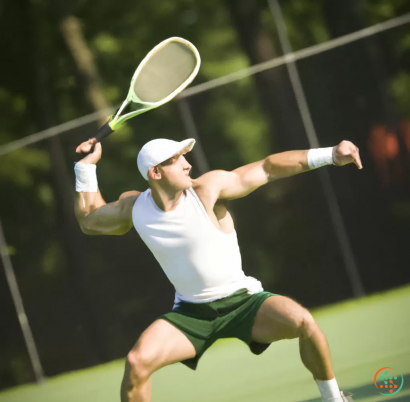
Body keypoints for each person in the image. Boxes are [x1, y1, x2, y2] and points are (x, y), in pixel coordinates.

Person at [74, 137, 362, 402]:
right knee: (137, 363)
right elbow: (90, 220)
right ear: (156, 173)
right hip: (191, 314)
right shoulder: (134, 208)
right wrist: (85, 167)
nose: (188, 164)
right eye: (177, 160)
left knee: (304, 323)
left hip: (244, 303)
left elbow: (267, 167)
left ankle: (334, 399)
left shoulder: (207, 189)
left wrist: (331, 155)